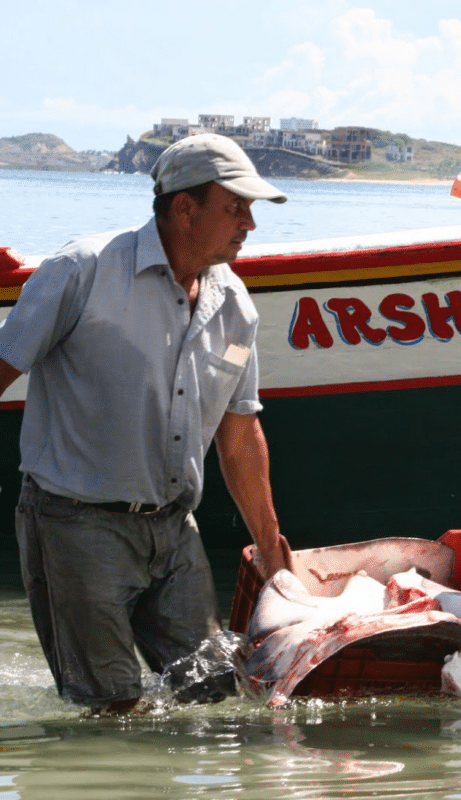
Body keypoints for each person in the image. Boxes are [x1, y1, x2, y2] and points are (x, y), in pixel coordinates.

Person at [0, 133, 294, 713]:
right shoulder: (80, 270)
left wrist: (270, 547)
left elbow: (239, 432)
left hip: (175, 532)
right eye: (235, 207)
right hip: (74, 526)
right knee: (111, 709)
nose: (250, 224)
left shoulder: (235, 304)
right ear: (184, 207)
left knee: (213, 695)